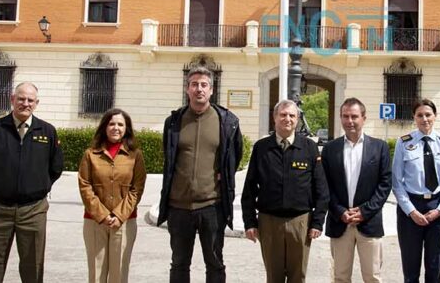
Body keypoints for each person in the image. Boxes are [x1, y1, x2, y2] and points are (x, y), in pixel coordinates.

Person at [155, 66, 243, 283]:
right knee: (179, 264)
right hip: (179, 207)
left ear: (211, 90)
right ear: (187, 89)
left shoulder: (227, 122)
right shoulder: (173, 122)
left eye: (204, 85)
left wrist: (223, 174)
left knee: (215, 263)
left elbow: (235, 155)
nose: (199, 89)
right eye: (194, 84)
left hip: (212, 206)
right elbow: (169, 156)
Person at [0, 81, 64, 283]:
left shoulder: (47, 131)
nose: (25, 103)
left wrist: (38, 186)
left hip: (33, 211)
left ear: (36, 103)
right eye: (21, 99)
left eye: (30, 100)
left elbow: (56, 167)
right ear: (12, 100)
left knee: (33, 269)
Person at [241, 99, 329, 283]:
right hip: (269, 222)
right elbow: (249, 188)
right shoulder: (261, 148)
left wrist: (317, 222)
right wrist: (250, 222)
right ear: (274, 117)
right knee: (274, 277)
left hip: (300, 222)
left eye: (292, 115)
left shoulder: (309, 147)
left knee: (298, 276)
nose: (287, 119)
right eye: (282, 115)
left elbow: (321, 188)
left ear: (297, 119)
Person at [321, 97, 393, 283]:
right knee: (340, 277)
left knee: (372, 277)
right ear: (340, 118)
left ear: (364, 118)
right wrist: (340, 211)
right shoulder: (330, 149)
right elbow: (324, 185)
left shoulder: (379, 147)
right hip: (340, 222)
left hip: (369, 222)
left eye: (354, 116)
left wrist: (364, 211)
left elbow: (385, 184)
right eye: (345, 116)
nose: (349, 121)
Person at [392, 99, 440, 283]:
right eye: (420, 115)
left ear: (435, 116)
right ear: (414, 117)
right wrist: (411, 211)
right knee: (411, 270)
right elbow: (396, 182)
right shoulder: (403, 143)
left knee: (435, 270)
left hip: (438, 207)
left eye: (428, 114)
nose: (424, 119)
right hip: (411, 209)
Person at [77, 108, 147, 283]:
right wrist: (102, 215)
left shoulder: (135, 155)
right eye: (111, 124)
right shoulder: (90, 154)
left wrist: (118, 215)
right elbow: (85, 186)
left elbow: (137, 188)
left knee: (119, 273)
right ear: (104, 127)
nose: (116, 128)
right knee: (96, 273)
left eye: (120, 124)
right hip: (95, 221)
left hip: (124, 221)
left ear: (126, 128)